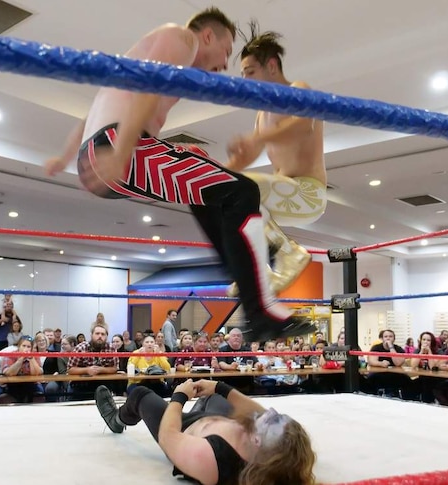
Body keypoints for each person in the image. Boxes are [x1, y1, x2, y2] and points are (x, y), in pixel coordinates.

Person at [45, 7, 315, 343]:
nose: (225, 63)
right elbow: (150, 85)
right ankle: (260, 309)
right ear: (207, 36)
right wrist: (123, 148)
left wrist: (66, 156)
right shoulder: (181, 38)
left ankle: (240, 274)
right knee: (242, 191)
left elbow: (94, 110)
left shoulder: (141, 57)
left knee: (206, 175)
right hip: (118, 145)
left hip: (98, 153)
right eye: (227, 50)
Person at [224, 23, 326, 296]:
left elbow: (303, 125)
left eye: (250, 72)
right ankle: (260, 273)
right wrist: (217, 176)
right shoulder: (262, 113)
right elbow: (248, 158)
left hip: (308, 193)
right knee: (227, 196)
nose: (245, 80)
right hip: (284, 194)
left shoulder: (298, 88)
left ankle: (289, 253)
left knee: (247, 188)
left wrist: (258, 138)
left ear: (271, 66)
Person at [94, 379, 315, 485]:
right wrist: (220, 387)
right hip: (212, 419)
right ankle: (207, 400)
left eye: (272, 420)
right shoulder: (268, 450)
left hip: (183, 427)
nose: (268, 413)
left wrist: (179, 397)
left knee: (140, 394)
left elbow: (168, 437)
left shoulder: (213, 459)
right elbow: (259, 412)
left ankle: (117, 419)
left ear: (257, 440)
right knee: (216, 396)